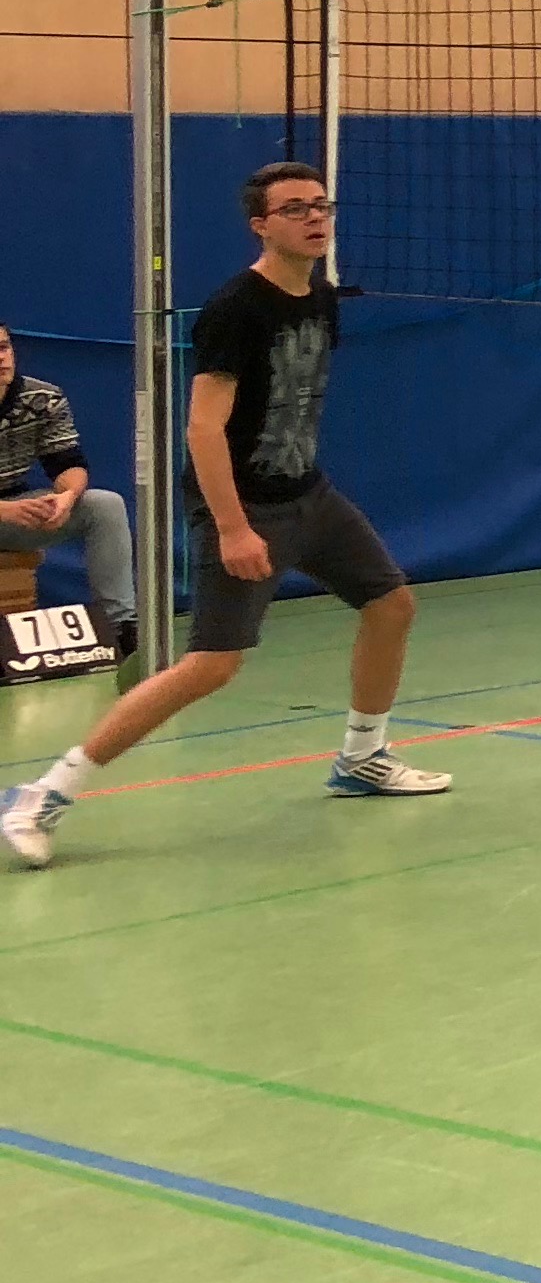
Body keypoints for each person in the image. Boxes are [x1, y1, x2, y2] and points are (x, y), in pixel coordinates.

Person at [3, 162, 445, 869]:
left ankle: (362, 756)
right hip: (244, 508)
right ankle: (43, 794)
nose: (315, 217)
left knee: (392, 605)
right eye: (295, 208)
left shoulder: (320, 298)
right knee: (211, 665)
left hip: (310, 495)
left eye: (321, 205)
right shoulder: (236, 309)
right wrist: (234, 527)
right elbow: (203, 429)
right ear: (260, 225)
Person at [0, 320, 135, 662]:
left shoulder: (43, 398)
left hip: (12, 513)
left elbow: (67, 463)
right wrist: (4, 510)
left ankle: (122, 628)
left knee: (103, 505)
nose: (1, 358)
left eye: (4, 347)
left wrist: (66, 497)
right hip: (4, 512)